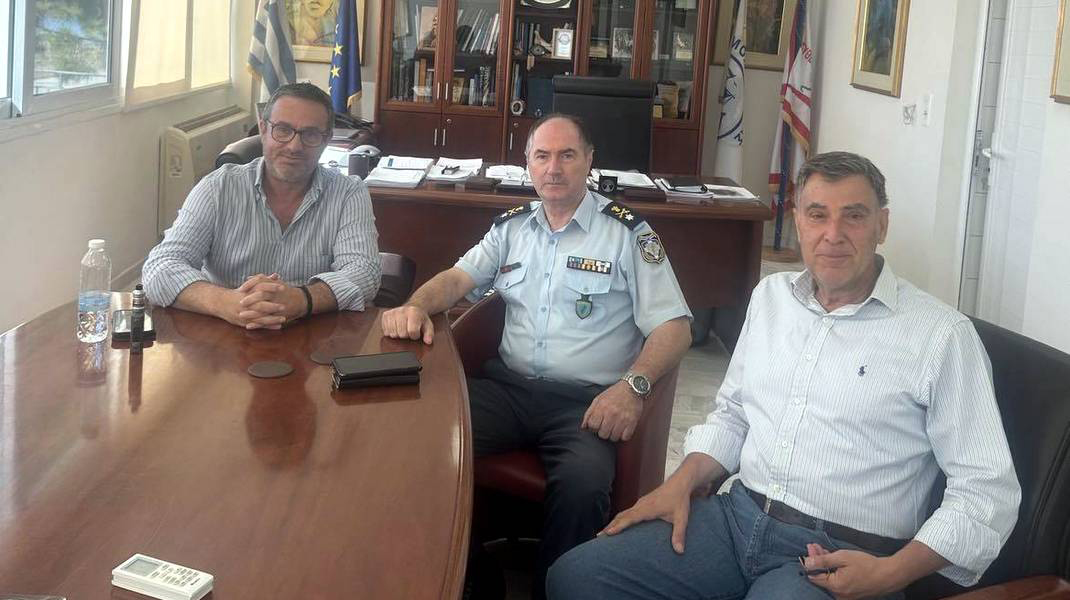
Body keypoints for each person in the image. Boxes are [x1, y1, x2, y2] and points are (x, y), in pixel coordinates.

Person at [546, 151, 1021, 600]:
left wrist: (890, 572)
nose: (833, 234)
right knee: (576, 577)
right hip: (736, 520)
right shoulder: (771, 297)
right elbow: (734, 414)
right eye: (817, 214)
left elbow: (986, 493)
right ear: (797, 222)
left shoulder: (941, 335)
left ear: (882, 224)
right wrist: (682, 481)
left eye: (854, 216)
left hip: (844, 554)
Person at [380, 114, 693, 598]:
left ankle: (557, 590)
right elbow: (458, 279)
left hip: (582, 403)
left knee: (585, 484)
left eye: (567, 155)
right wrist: (416, 305)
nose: (553, 168)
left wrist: (632, 389)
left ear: (589, 161)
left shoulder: (628, 234)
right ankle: (467, 572)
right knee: (416, 434)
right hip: (507, 389)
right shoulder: (512, 228)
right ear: (527, 164)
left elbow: (675, 327)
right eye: (542, 156)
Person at [143, 82, 380, 329]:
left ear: (326, 139)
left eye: (310, 134)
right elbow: (160, 267)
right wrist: (226, 302)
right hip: (223, 333)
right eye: (283, 130)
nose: (294, 146)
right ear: (264, 129)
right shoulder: (218, 187)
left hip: (311, 333)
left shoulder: (348, 193)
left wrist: (301, 299)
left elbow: (365, 273)